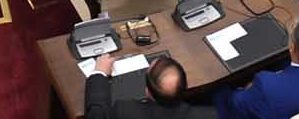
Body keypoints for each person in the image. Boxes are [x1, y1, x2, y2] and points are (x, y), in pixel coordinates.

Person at [80, 54, 211, 119]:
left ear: (147, 92)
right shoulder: (210, 114)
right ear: (186, 85)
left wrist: (99, 72)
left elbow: (96, 114)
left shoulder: (124, 111)